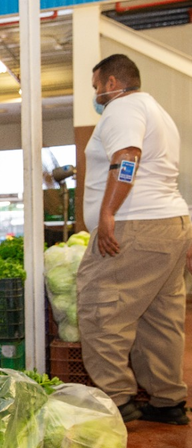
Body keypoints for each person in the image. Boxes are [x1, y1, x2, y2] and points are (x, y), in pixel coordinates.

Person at [77, 54, 192, 425]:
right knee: (161, 318)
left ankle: (118, 399)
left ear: (112, 83)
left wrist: (108, 212)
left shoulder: (122, 108)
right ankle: (167, 400)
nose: (96, 94)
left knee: (100, 306)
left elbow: (128, 156)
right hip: (169, 224)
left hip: (134, 226)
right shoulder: (156, 111)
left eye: (96, 86)